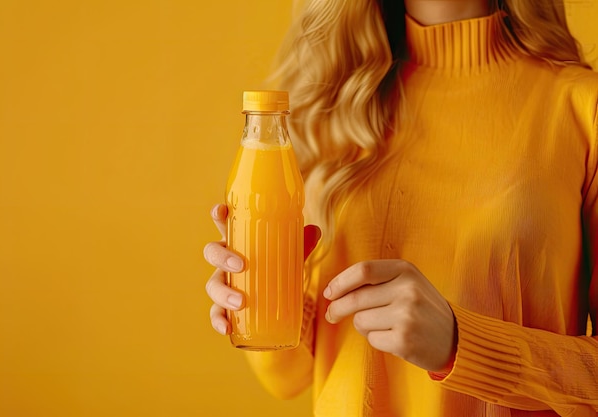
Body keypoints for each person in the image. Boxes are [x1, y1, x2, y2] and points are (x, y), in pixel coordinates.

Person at [204, 0, 598, 415]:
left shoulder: (581, 109)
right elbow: (285, 378)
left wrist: (462, 346)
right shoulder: (332, 105)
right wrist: (258, 302)